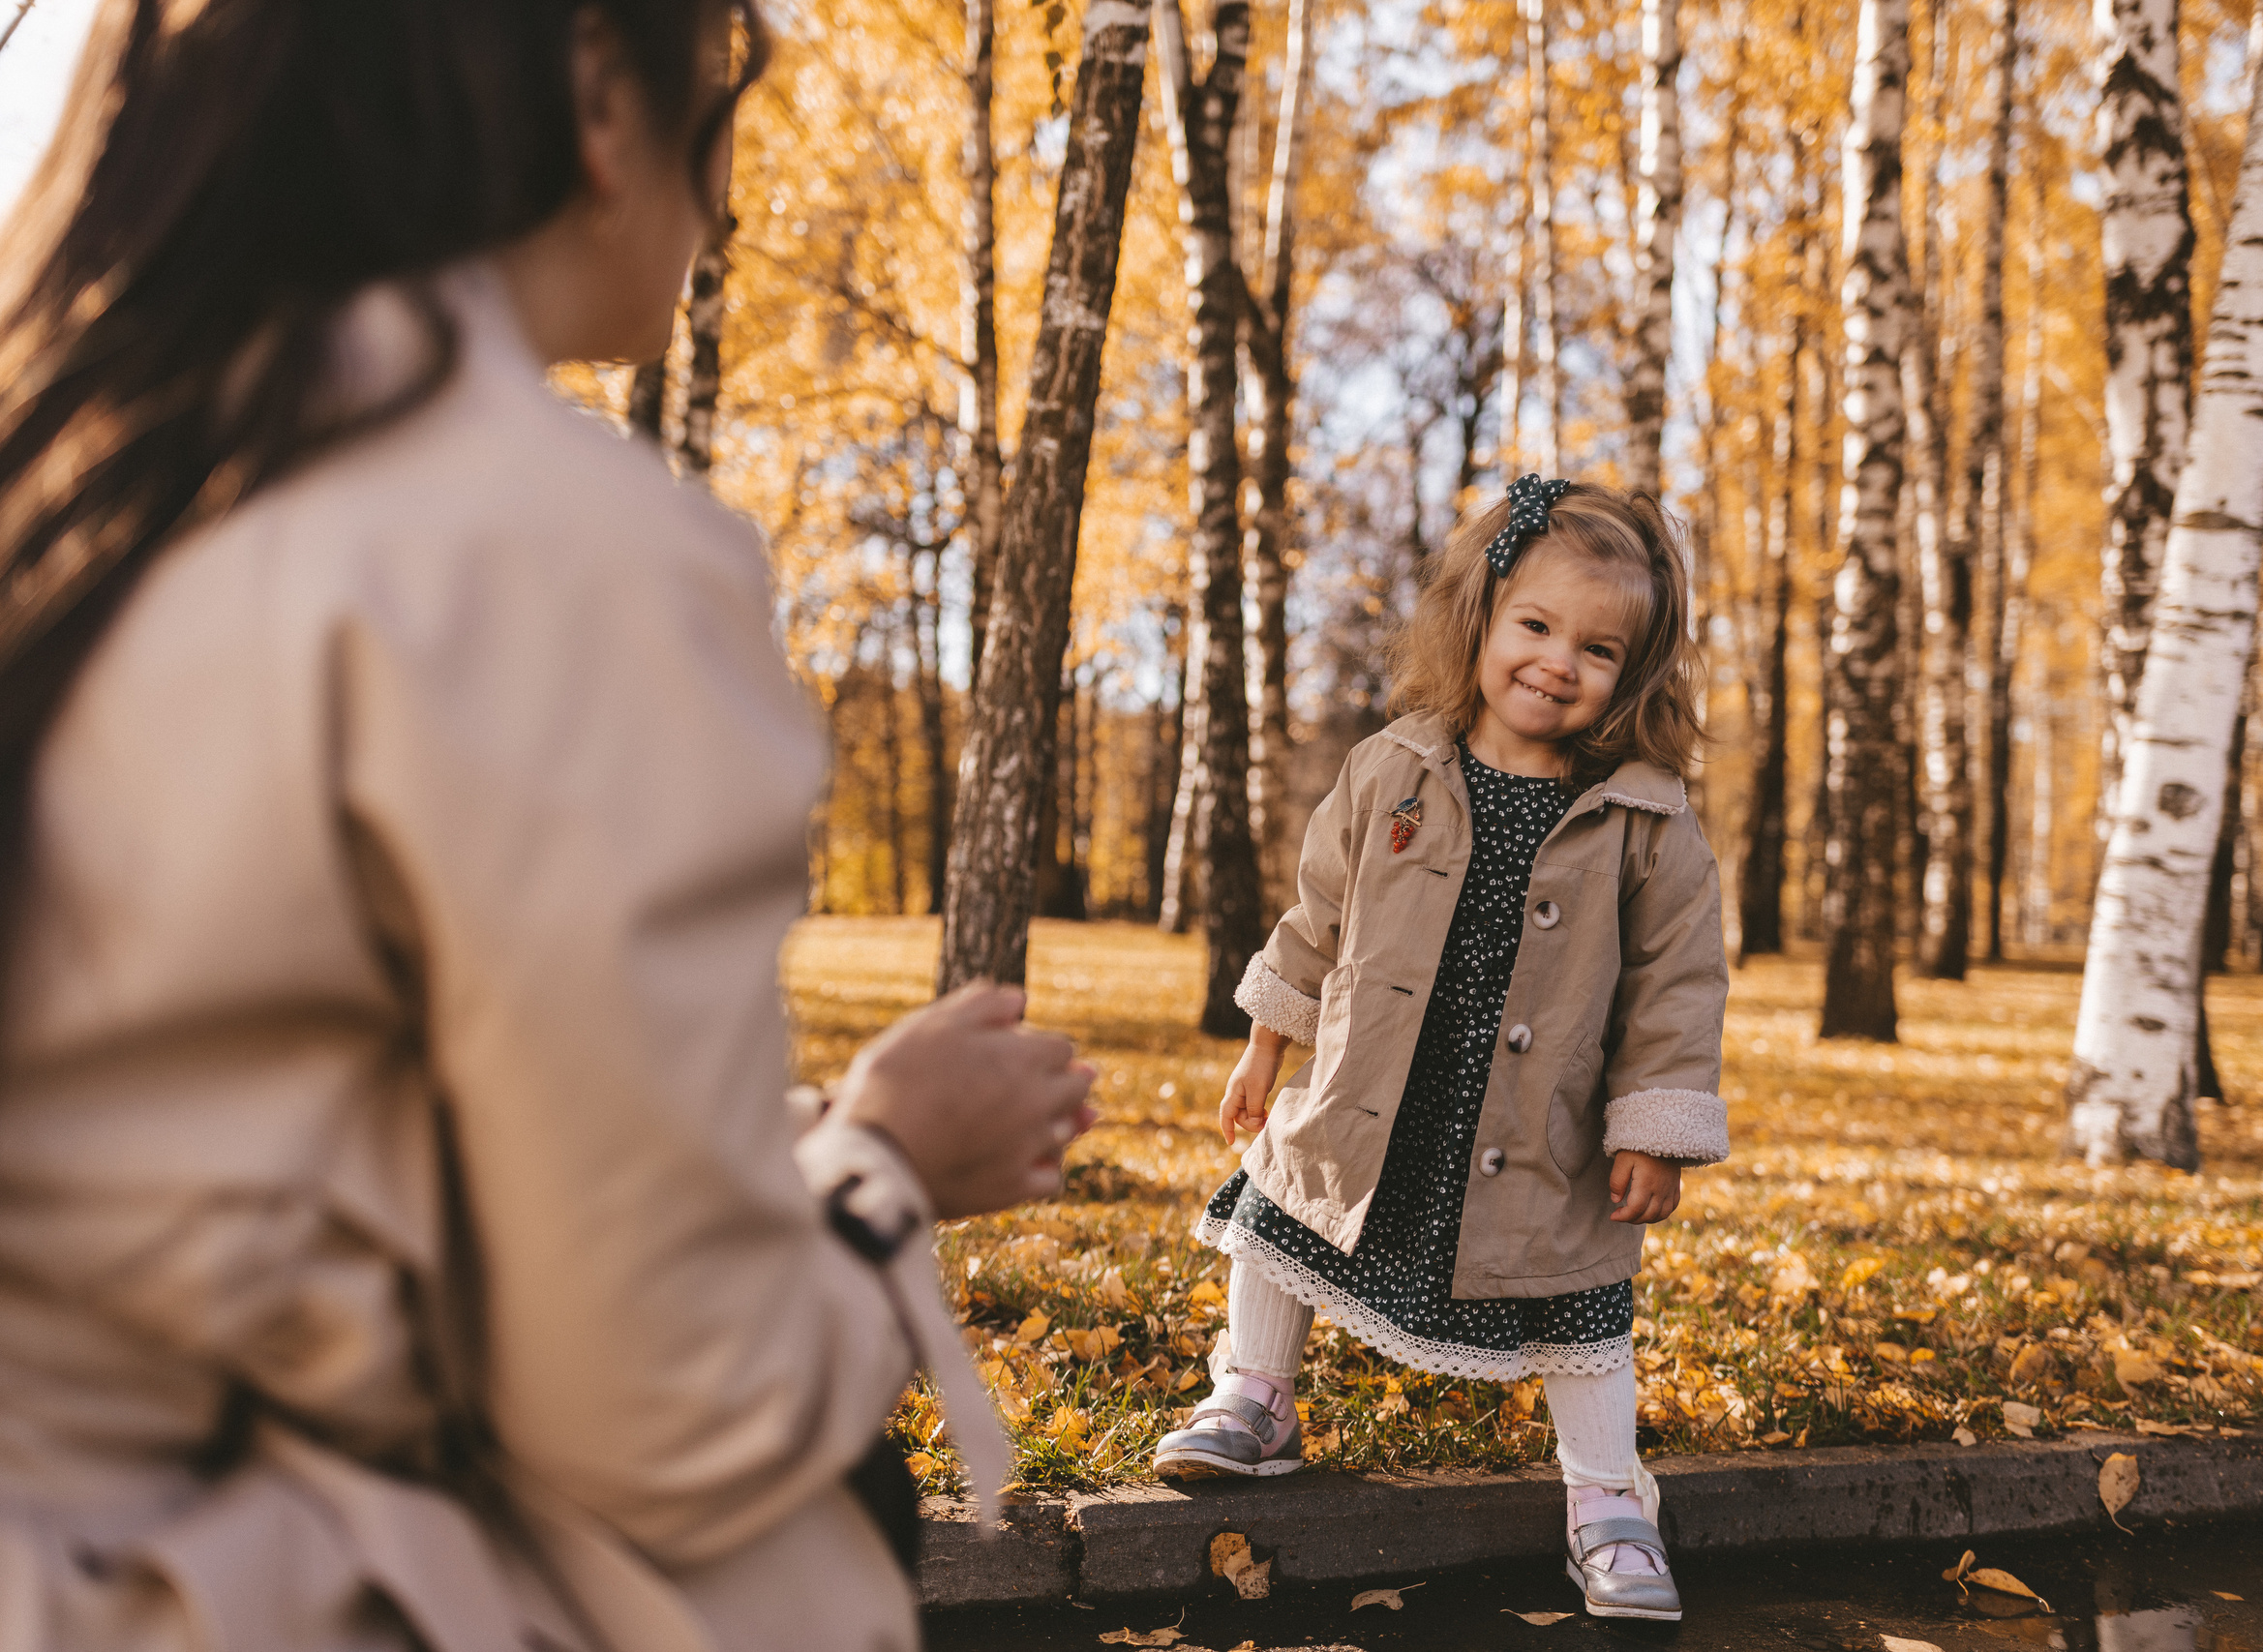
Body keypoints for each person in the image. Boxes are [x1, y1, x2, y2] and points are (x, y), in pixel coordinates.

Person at [0, 4, 1091, 1649]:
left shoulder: (83, 490)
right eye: (727, 92)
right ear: (596, 84)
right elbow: (675, 1420)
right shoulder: (541, 548)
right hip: (193, 1600)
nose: (730, 188)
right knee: (809, 1540)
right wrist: (879, 1171)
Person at [1150, 477, 1729, 1623]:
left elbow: (1677, 986)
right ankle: (1257, 1395)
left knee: (1576, 1297)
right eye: (1536, 626)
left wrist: (1654, 1130)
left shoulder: (1645, 822)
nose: (1559, 663)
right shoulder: (1390, 769)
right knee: (1283, 1217)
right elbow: (1316, 918)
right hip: (1375, 1082)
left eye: (1598, 649)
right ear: (1480, 618)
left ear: (1635, 672)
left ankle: (1608, 1498)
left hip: (1535, 1119)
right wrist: (1268, 1042)